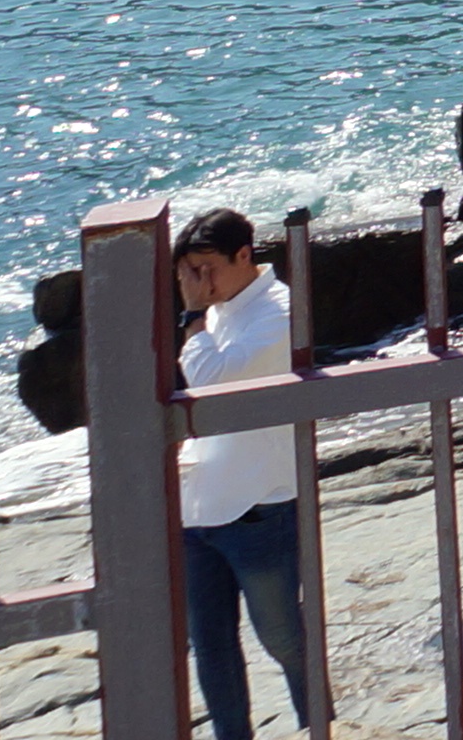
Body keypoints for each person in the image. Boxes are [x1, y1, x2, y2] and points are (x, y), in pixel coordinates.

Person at [170, 209, 313, 740]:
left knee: (284, 640)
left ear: (244, 256)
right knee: (211, 647)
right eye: (189, 271)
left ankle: (318, 726)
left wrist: (190, 320)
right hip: (199, 507)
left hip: (258, 507)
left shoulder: (276, 312)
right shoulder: (221, 310)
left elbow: (213, 384)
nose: (199, 283)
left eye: (206, 268)